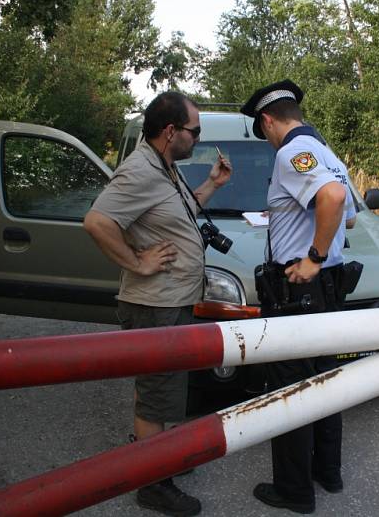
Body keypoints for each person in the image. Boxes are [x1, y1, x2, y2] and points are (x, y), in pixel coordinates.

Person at [84, 91, 231, 517]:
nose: (198, 139)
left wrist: (212, 185)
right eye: (194, 131)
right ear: (171, 132)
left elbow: (179, 215)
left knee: (160, 389)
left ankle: (154, 457)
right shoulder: (139, 171)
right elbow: (97, 222)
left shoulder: (165, 167)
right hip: (155, 304)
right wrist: (137, 262)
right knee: (155, 395)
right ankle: (153, 483)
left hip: (171, 301)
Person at [240, 79, 359, 514]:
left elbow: (331, 197)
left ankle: (293, 490)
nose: (268, 141)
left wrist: (311, 256)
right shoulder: (328, 154)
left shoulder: (292, 152)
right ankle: (327, 472)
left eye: (264, 132)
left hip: (299, 288)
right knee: (325, 380)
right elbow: (345, 218)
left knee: (290, 387)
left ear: (268, 121)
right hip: (327, 290)